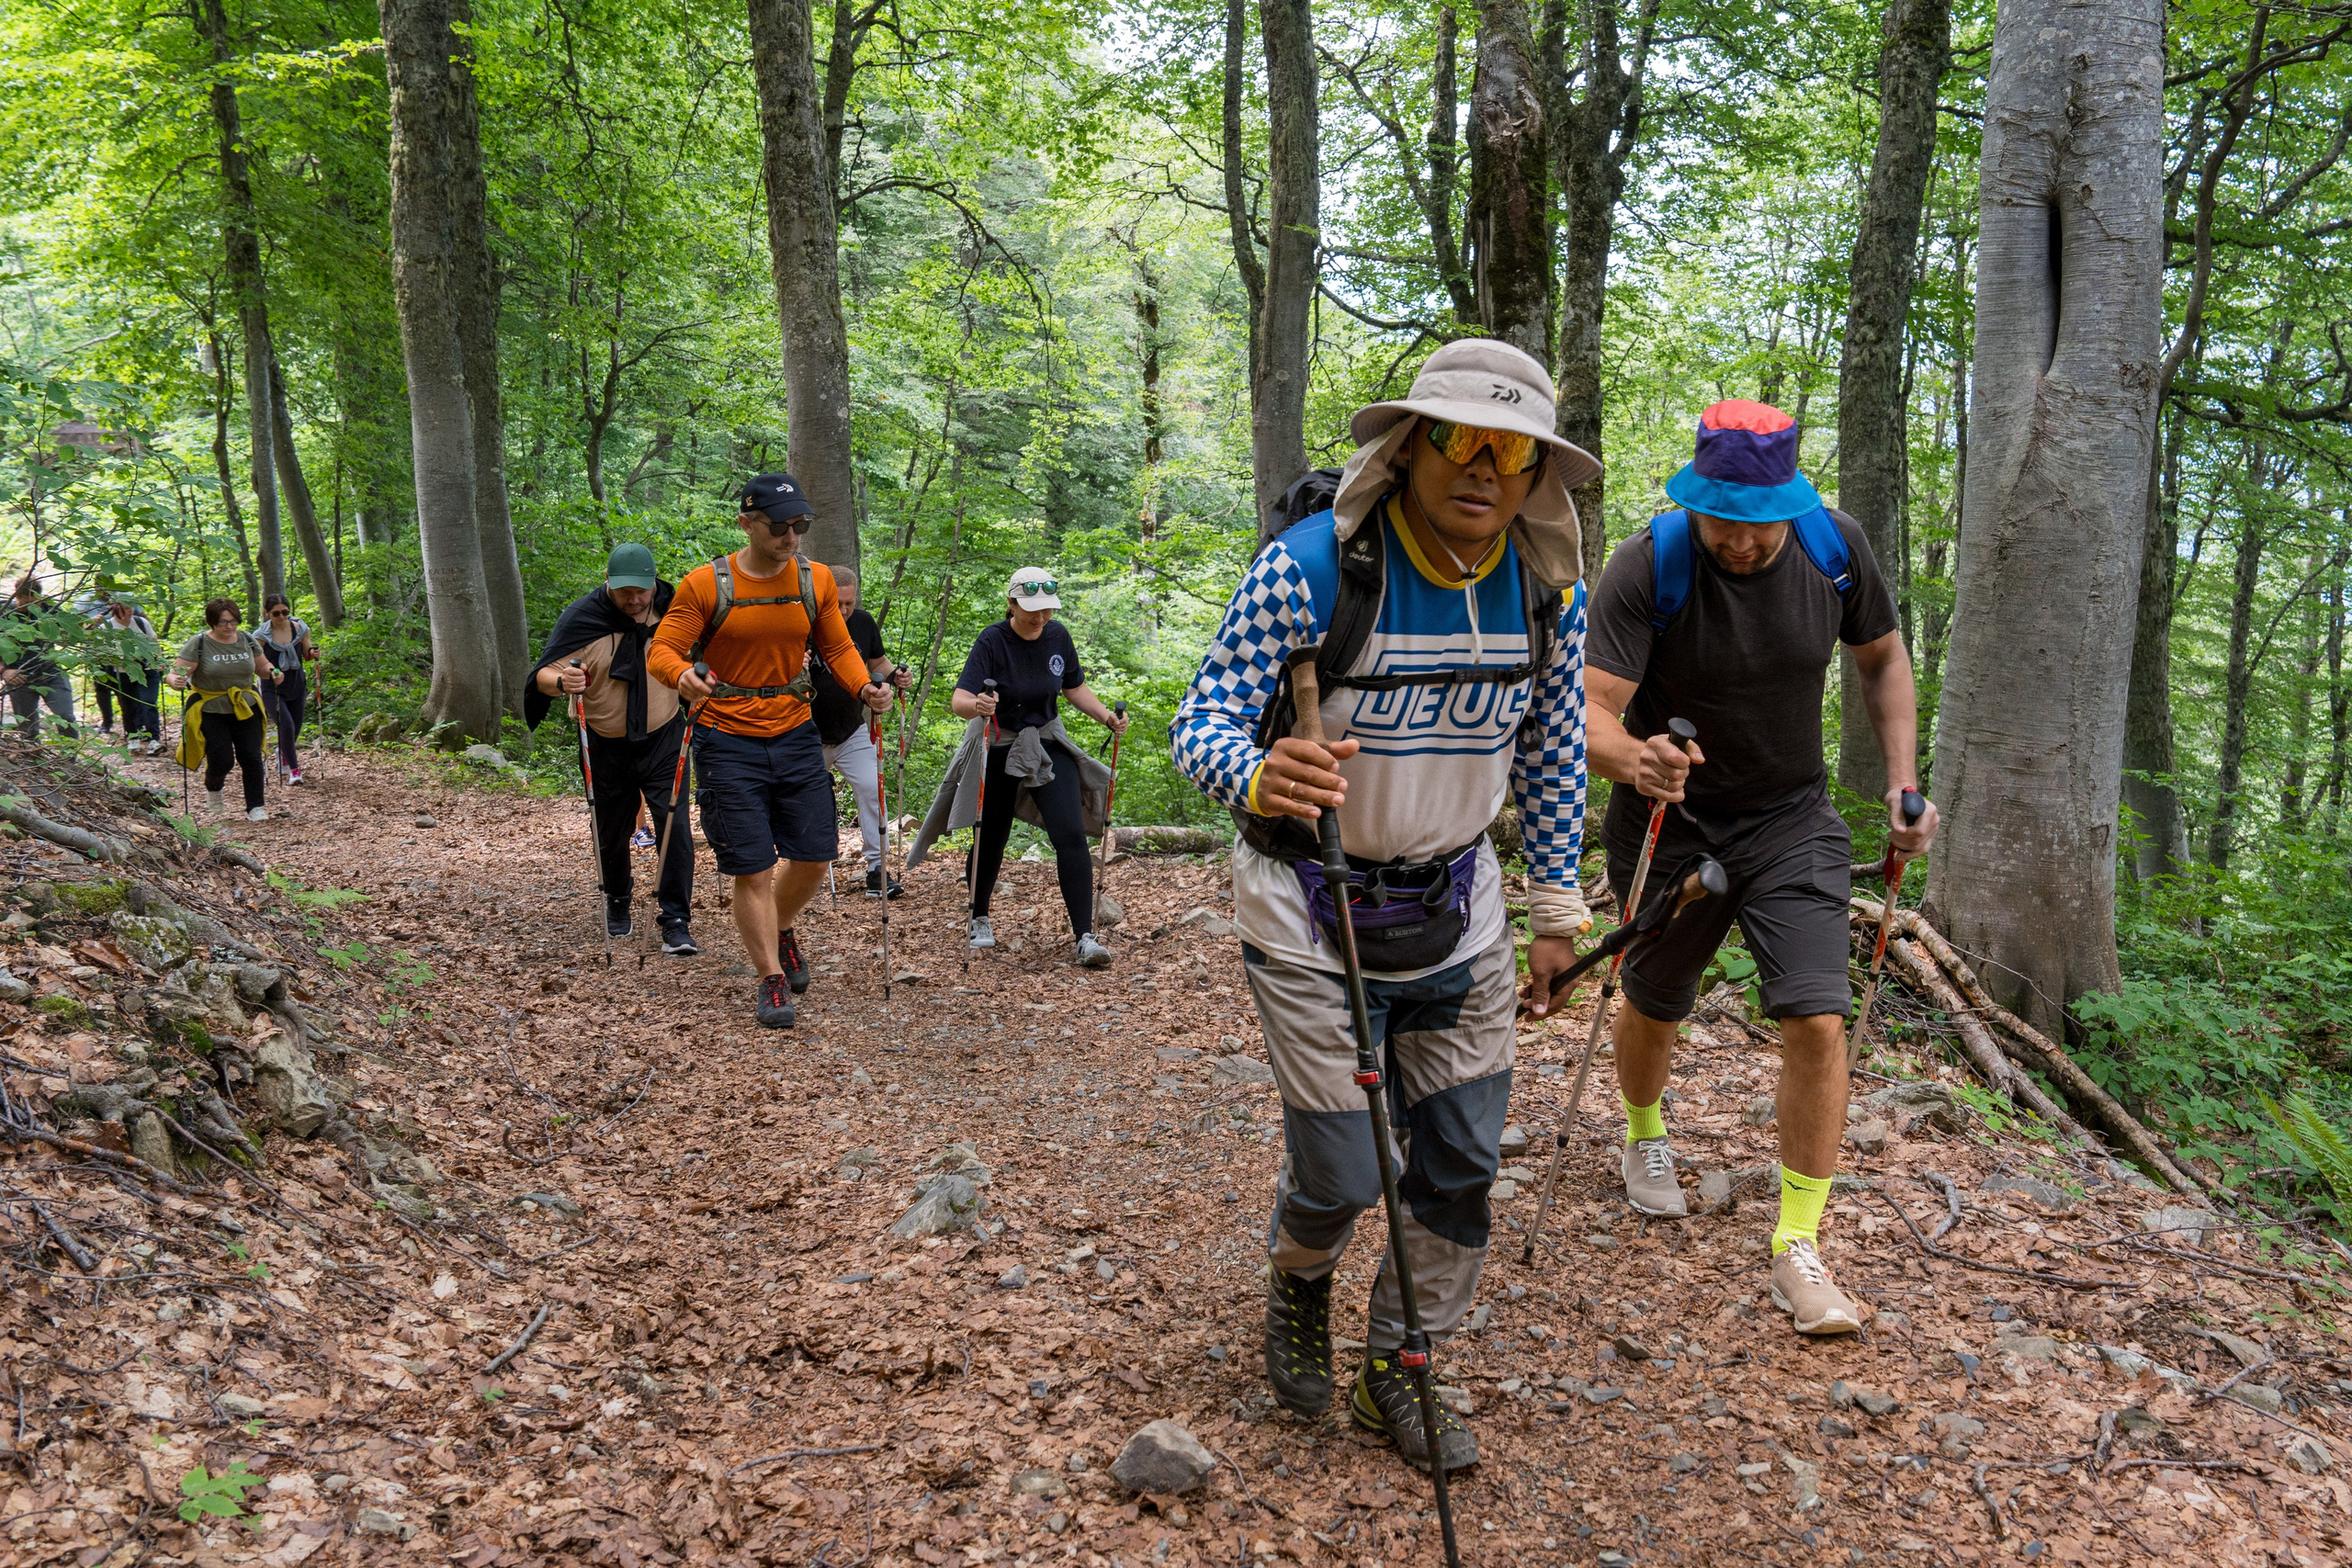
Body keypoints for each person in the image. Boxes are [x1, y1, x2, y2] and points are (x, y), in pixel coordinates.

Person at [1170, 338, 1596, 1472]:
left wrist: (1557, 908)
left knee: (1458, 1162)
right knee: (1344, 1171)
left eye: (1511, 450)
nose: (1483, 468)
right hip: (1307, 907)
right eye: (1459, 438)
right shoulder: (1312, 568)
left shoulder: (1547, 594)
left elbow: (1554, 758)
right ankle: (1299, 1278)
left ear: (1537, 474)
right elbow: (1200, 721)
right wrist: (1255, 773)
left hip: (1462, 908)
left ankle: (1400, 1368)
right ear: (1409, 447)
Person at [1584, 399, 1936, 1336]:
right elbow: (1590, 712)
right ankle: (1644, 1135)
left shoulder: (1834, 548)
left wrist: (1905, 784)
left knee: (1817, 1019)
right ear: (1697, 502)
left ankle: (1798, 1245)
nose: (1738, 541)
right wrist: (1635, 759)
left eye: (1756, 523)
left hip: (1791, 816)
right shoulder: (1647, 562)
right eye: (1721, 521)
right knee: (1654, 997)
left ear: (1791, 501)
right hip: (1672, 815)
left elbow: (1883, 660)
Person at [645, 474, 890, 1029]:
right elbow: (661, 648)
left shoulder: (816, 580)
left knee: (814, 853)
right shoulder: (707, 584)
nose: (791, 537)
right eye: (780, 526)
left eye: (800, 526)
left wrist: (864, 688)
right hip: (727, 737)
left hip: (795, 731)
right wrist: (682, 674)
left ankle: (779, 929)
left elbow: (836, 646)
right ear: (747, 524)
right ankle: (770, 977)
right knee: (752, 867)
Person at [933, 570, 1129, 966]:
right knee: (991, 832)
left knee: (1071, 833)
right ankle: (979, 915)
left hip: (1044, 739)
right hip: (999, 741)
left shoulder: (1058, 636)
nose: (1040, 619)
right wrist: (978, 706)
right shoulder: (992, 640)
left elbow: (1073, 687)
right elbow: (959, 700)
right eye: (1031, 612)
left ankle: (1085, 936)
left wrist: (1105, 716)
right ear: (1011, 604)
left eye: (1046, 611)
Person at [526, 543, 697, 956]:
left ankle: (676, 918)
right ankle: (618, 899)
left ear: (654, 584)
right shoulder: (583, 617)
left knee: (673, 826)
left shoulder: (674, 610)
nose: (635, 600)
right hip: (605, 740)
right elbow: (543, 673)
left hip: (664, 734)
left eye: (642, 591)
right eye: (625, 592)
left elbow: (709, 649)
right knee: (611, 829)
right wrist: (562, 682)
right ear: (609, 585)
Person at [809, 565, 911, 898]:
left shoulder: (864, 623)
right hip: (804, 733)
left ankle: (877, 869)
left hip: (851, 730)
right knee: (801, 800)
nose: (842, 611)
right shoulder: (803, 621)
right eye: (836, 603)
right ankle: (802, 870)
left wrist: (896, 675)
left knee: (873, 788)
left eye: (848, 604)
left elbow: (877, 664)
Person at [166, 597, 282, 820]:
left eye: (233, 621)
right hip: (211, 709)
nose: (229, 626)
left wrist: (273, 673)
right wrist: (175, 681)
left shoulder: (247, 639)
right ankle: (214, 786)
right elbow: (175, 672)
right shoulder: (199, 643)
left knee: (251, 756)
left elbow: (261, 666)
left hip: (246, 705)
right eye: (223, 622)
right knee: (222, 760)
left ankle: (256, 806)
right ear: (212, 622)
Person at [251, 594, 318, 784]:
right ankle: (295, 771)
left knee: (295, 728)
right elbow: (257, 663)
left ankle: (283, 753)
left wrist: (313, 653)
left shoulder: (299, 629)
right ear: (267, 613)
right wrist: (270, 672)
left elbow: (307, 652)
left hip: (296, 683)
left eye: (285, 612)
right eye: (276, 613)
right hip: (273, 687)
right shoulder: (260, 636)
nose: (281, 617)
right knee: (286, 725)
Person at [1, 575, 78, 739]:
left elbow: (69, 632)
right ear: (17, 596)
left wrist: (84, 627)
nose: (32, 606)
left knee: (66, 718)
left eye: (35, 601)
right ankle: (33, 761)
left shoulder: (49, 610)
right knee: (28, 730)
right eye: (26, 602)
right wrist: (4, 671)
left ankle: (70, 762)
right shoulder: (4, 613)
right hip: (19, 677)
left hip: (50, 672)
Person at [91, 594, 164, 754]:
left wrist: (158, 660)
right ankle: (133, 737)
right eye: (126, 607)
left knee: (148, 702)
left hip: (146, 669)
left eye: (132, 607)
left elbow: (154, 642)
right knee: (128, 706)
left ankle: (154, 740)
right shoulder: (106, 628)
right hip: (123, 672)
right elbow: (99, 653)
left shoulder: (140, 622)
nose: (130, 611)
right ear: (117, 608)